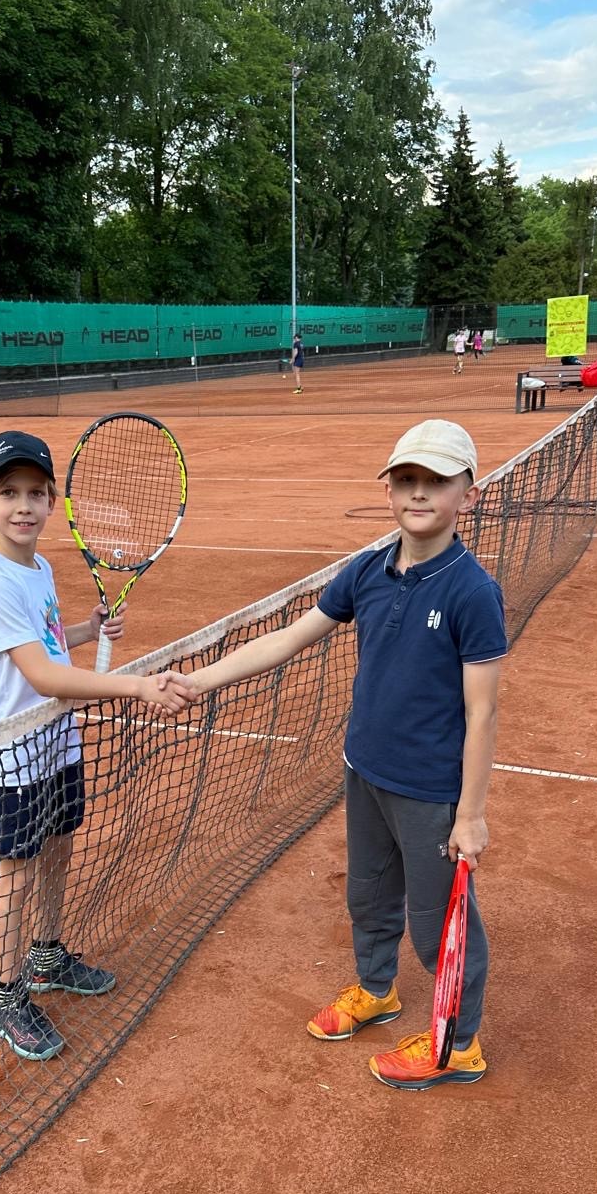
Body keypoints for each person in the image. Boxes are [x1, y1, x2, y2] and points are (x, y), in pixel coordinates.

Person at [176, 420, 505, 1090]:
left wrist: (470, 815)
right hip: (365, 771)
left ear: (468, 495)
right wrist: (199, 681)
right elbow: (289, 639)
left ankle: (458, 1045)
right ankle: (377, 990)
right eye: (406, 480)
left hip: (430, 791)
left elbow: (483, 712)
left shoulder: (472, 592)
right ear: (389, 491)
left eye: (436, 481)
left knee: (437, 923)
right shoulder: (367, 570)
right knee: (369, 896)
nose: (418, 493)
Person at [0, 429, 193, 1061]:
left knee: (58, 851)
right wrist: (135, 685)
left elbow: (42, 640)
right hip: (16, 755)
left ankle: (45, 956)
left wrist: (86, 631)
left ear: (51, 502)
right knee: (14, 873)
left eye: (35, 493)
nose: (23, 506)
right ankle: (7, 996)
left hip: (57, 743)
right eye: (8, 493)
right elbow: (42, 675)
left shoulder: (34, 568)